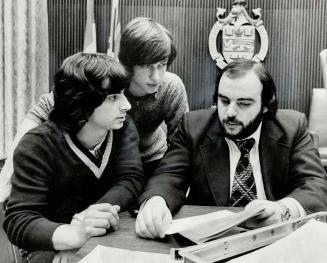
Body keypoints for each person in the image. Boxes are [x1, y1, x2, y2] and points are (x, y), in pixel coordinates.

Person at [135, 58, 327, 239]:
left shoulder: (292, 127)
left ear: (266, 105)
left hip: (275, 239)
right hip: (211, 243)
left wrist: (283, 210)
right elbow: (168, 176)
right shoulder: (193, 126)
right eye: (224, 101)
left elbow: (316, 185)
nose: (230, 113)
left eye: (244, 103)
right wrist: (156, 202)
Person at [0, 17, 188, 200]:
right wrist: (8, 170)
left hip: (152, 161)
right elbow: (42, 110)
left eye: (162, 65)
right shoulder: (107, 79)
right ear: (129, 63)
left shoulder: (172, 86)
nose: (156, 77)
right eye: (147, 66)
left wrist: (170, 184)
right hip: (111, 164)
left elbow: (182, 142)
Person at [3, 53, 144, 262]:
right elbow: (19, 220)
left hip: (108, 231)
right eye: (113, 97)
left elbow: (131, 179)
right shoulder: (36, 145)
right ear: (84, 102)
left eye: (123, 94)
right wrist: (75, 236)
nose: (127, 105)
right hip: (52, 243)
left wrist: (89, 219)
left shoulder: (122, 128)